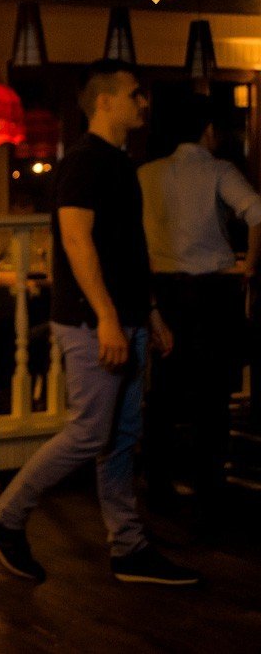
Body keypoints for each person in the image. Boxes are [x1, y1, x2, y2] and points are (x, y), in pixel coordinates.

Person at [0, 59, 200, 586]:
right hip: (91, 321)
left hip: (125, 318)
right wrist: (106, 318)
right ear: (104, 101)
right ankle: (4, 517)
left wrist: (148, 312)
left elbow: (126, 249)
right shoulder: (83, 162)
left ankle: (128, 546)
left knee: (121, 435)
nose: (143, 102)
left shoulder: (120, 162)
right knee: (89, 432)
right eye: (133, 93)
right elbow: (77, 241)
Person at [138, 94, 260, 521]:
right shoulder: (218, 170)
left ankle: (157, 483)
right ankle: (210, 488)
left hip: (163, 290)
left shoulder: (146, 174)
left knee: (164, 392)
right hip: (211, 292)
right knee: (213, 395)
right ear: (208, 130)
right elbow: (257, 212)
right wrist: (250, 267)